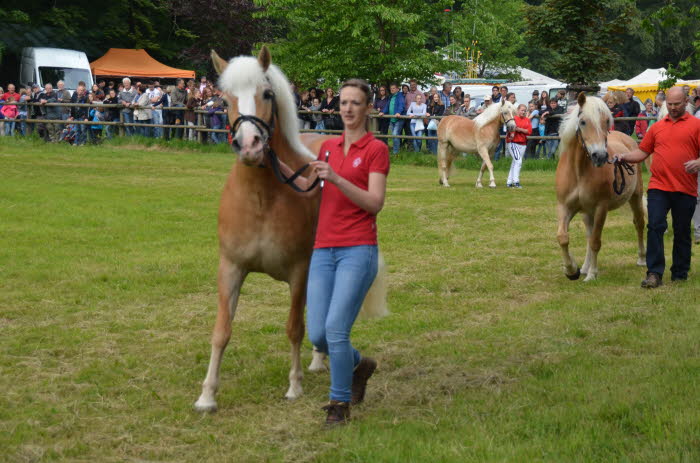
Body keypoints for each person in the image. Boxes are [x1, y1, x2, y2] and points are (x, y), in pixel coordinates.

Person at [282, 78, 389, 426]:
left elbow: (374, 203)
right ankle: (358, 364)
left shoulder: (376, 150)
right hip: (323, 251)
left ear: (367, 108)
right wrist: (269, 161)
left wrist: (339, 180)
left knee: (337, 330)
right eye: (343, 102)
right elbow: (305, 185)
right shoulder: (327, 147)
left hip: (358, 250)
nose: (347, 108)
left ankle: (338, 404)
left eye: (355, 103)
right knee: (318, 335)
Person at [617, 87, 700, 288]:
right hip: (659, 186)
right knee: (654, 226)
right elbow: (642, 152)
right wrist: (623, 157)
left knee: (681, 230)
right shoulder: (656, 127)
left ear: (686, 102)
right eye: (669, 104)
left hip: (685, 188)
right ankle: (654, 273)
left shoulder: (696, 125)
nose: (672, 108)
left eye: (676, 104)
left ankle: (680, 272)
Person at [506, 104, 532, 188]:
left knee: (515, 162)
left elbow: (529, 131)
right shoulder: (514, 119)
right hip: (513, 142)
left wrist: (519, 129)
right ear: (518, 110)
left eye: (525, 110)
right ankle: (516, 181)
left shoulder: (527, 120)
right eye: (522, 110)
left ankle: (509, 182)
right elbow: (511, 128)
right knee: (518, 161)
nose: (523, 112)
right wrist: (515, 131)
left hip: (523, 143)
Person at [386, 83, 405, 154]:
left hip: (398, 119)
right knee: (394, 135)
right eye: (391, 89)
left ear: (397, 89)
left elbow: (401, 105)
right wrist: (382, 112)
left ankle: (395, 152)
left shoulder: (400, 96)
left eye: (393, 88)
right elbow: (387, 106)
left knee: (395, 134)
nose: (392, 90)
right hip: (391, 119)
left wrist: (398, 112)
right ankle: (396, 150)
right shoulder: (391, 96)